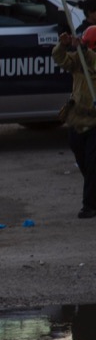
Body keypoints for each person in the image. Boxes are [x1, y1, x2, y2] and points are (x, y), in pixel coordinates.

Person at [51, 26, 96, 218]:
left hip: (95, 123)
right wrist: (63, 45)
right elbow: (61, 59)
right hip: (78, 120)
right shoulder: (78, 60)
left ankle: (90, 205)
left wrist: (83, 49)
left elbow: (91, 62)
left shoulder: (89, 58)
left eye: (87, 44)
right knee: (83, 161)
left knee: (94, 163)